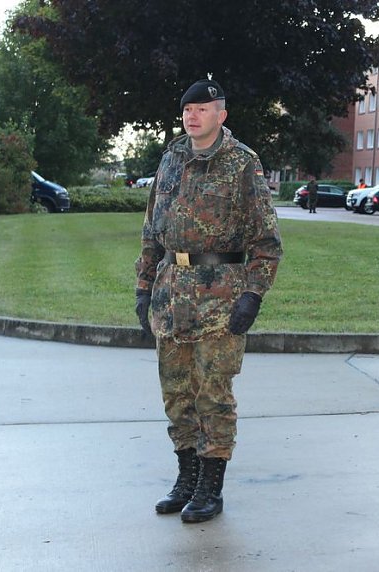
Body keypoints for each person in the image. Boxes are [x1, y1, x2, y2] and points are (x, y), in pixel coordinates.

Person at [134, 78, 282, 524]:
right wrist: (144, 288)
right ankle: (186, 478)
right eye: (187, 110)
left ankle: (210, 487)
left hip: (220, 300)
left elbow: (266, 241)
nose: (192, 116)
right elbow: (151, 231)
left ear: (222, 114)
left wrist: (253, 295)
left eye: (202, 108)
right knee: (177, 394)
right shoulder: (171, 159)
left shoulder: (242, 163)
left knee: (213, 395)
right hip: (170, 297)